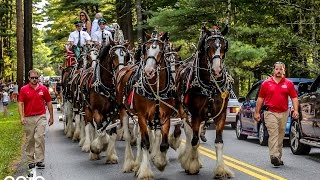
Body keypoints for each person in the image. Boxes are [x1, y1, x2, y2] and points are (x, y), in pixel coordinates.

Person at [254, 62, 299, 167]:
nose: (279, 71)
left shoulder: (288, 83)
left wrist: (296, 110)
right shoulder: (266, 83)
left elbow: (294, 98)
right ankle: (274, 156)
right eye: (277, 69)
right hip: (270, 112)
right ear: (273, 70)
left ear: (284, 71)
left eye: (281, 69)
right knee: (273, 133)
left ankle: (278, 157)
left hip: (283, 112)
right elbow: (260, 98)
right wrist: (257, 112)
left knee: (281, 135)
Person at [18, 69, 54, 169]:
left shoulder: (43, 89)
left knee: (40, 137)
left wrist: (51, 116)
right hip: (28, 117)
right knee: (30, 139)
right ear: (29, 78)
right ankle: (30, 160)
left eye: (36, 78)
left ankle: (39, 160)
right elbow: (20, 103)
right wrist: (21, 116)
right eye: (32, 78)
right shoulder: (24, 89)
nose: (34, 80)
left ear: (38, 78)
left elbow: (49, 102)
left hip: (40, 116)